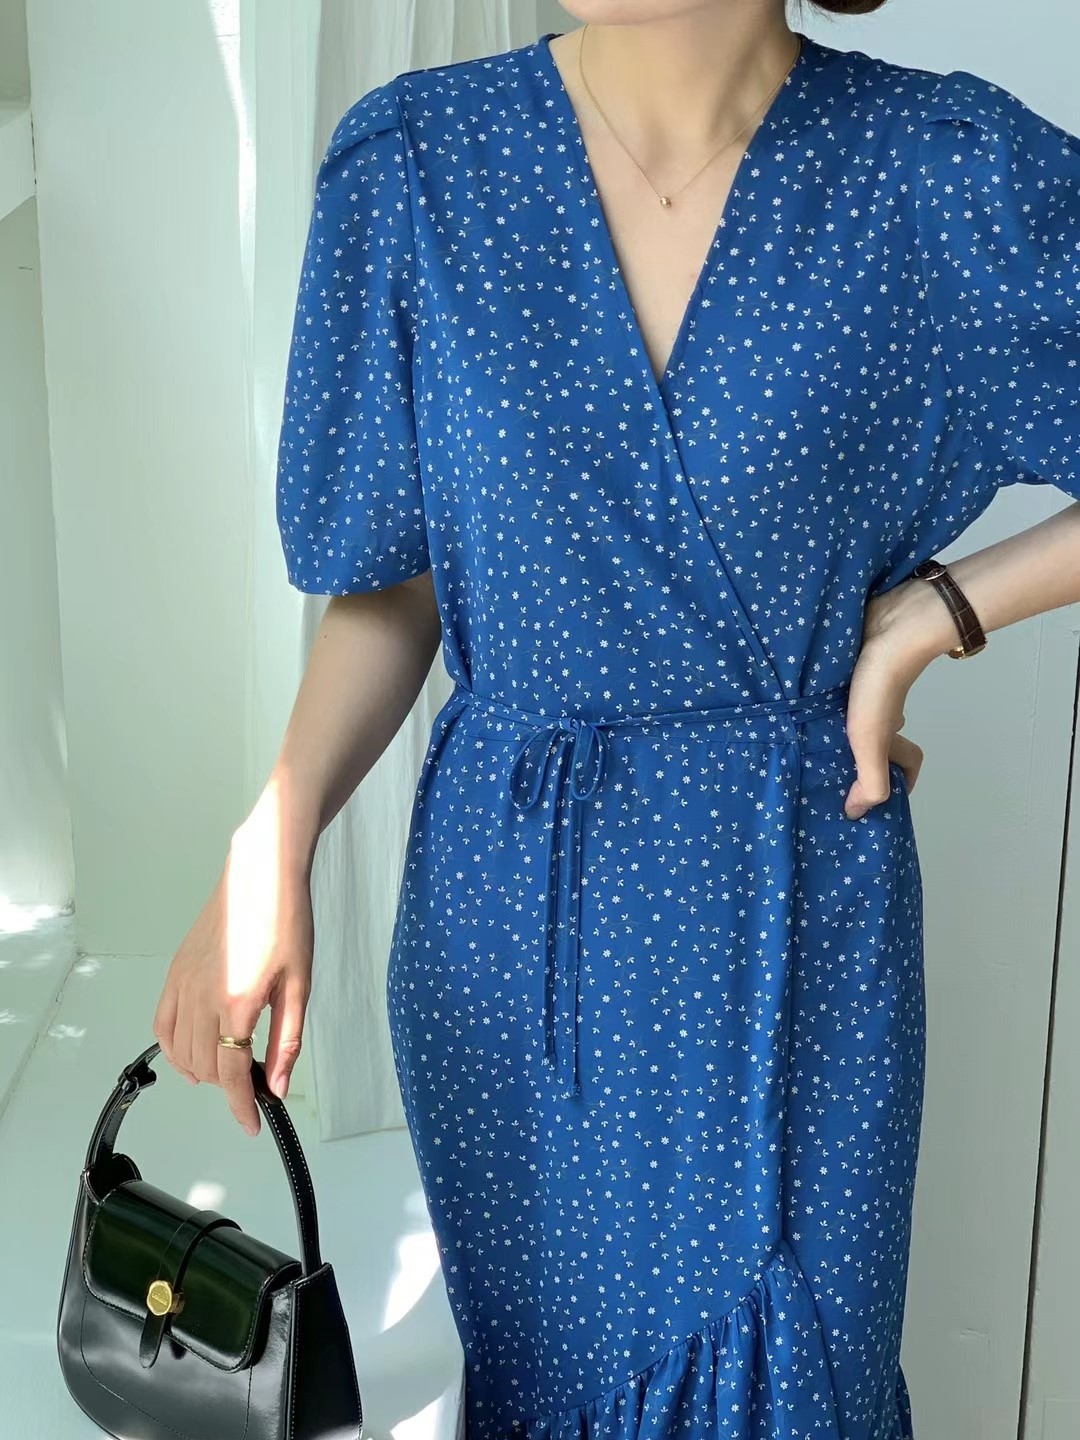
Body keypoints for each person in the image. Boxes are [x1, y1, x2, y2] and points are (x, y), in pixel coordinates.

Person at [153, 2, 1080, 1435]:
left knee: (793, 1389)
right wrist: (275, 835)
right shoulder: (418, 167)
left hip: (789, 921)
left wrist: (937, 614)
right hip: (507, 939)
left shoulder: (938, 175)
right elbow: (394, 586)